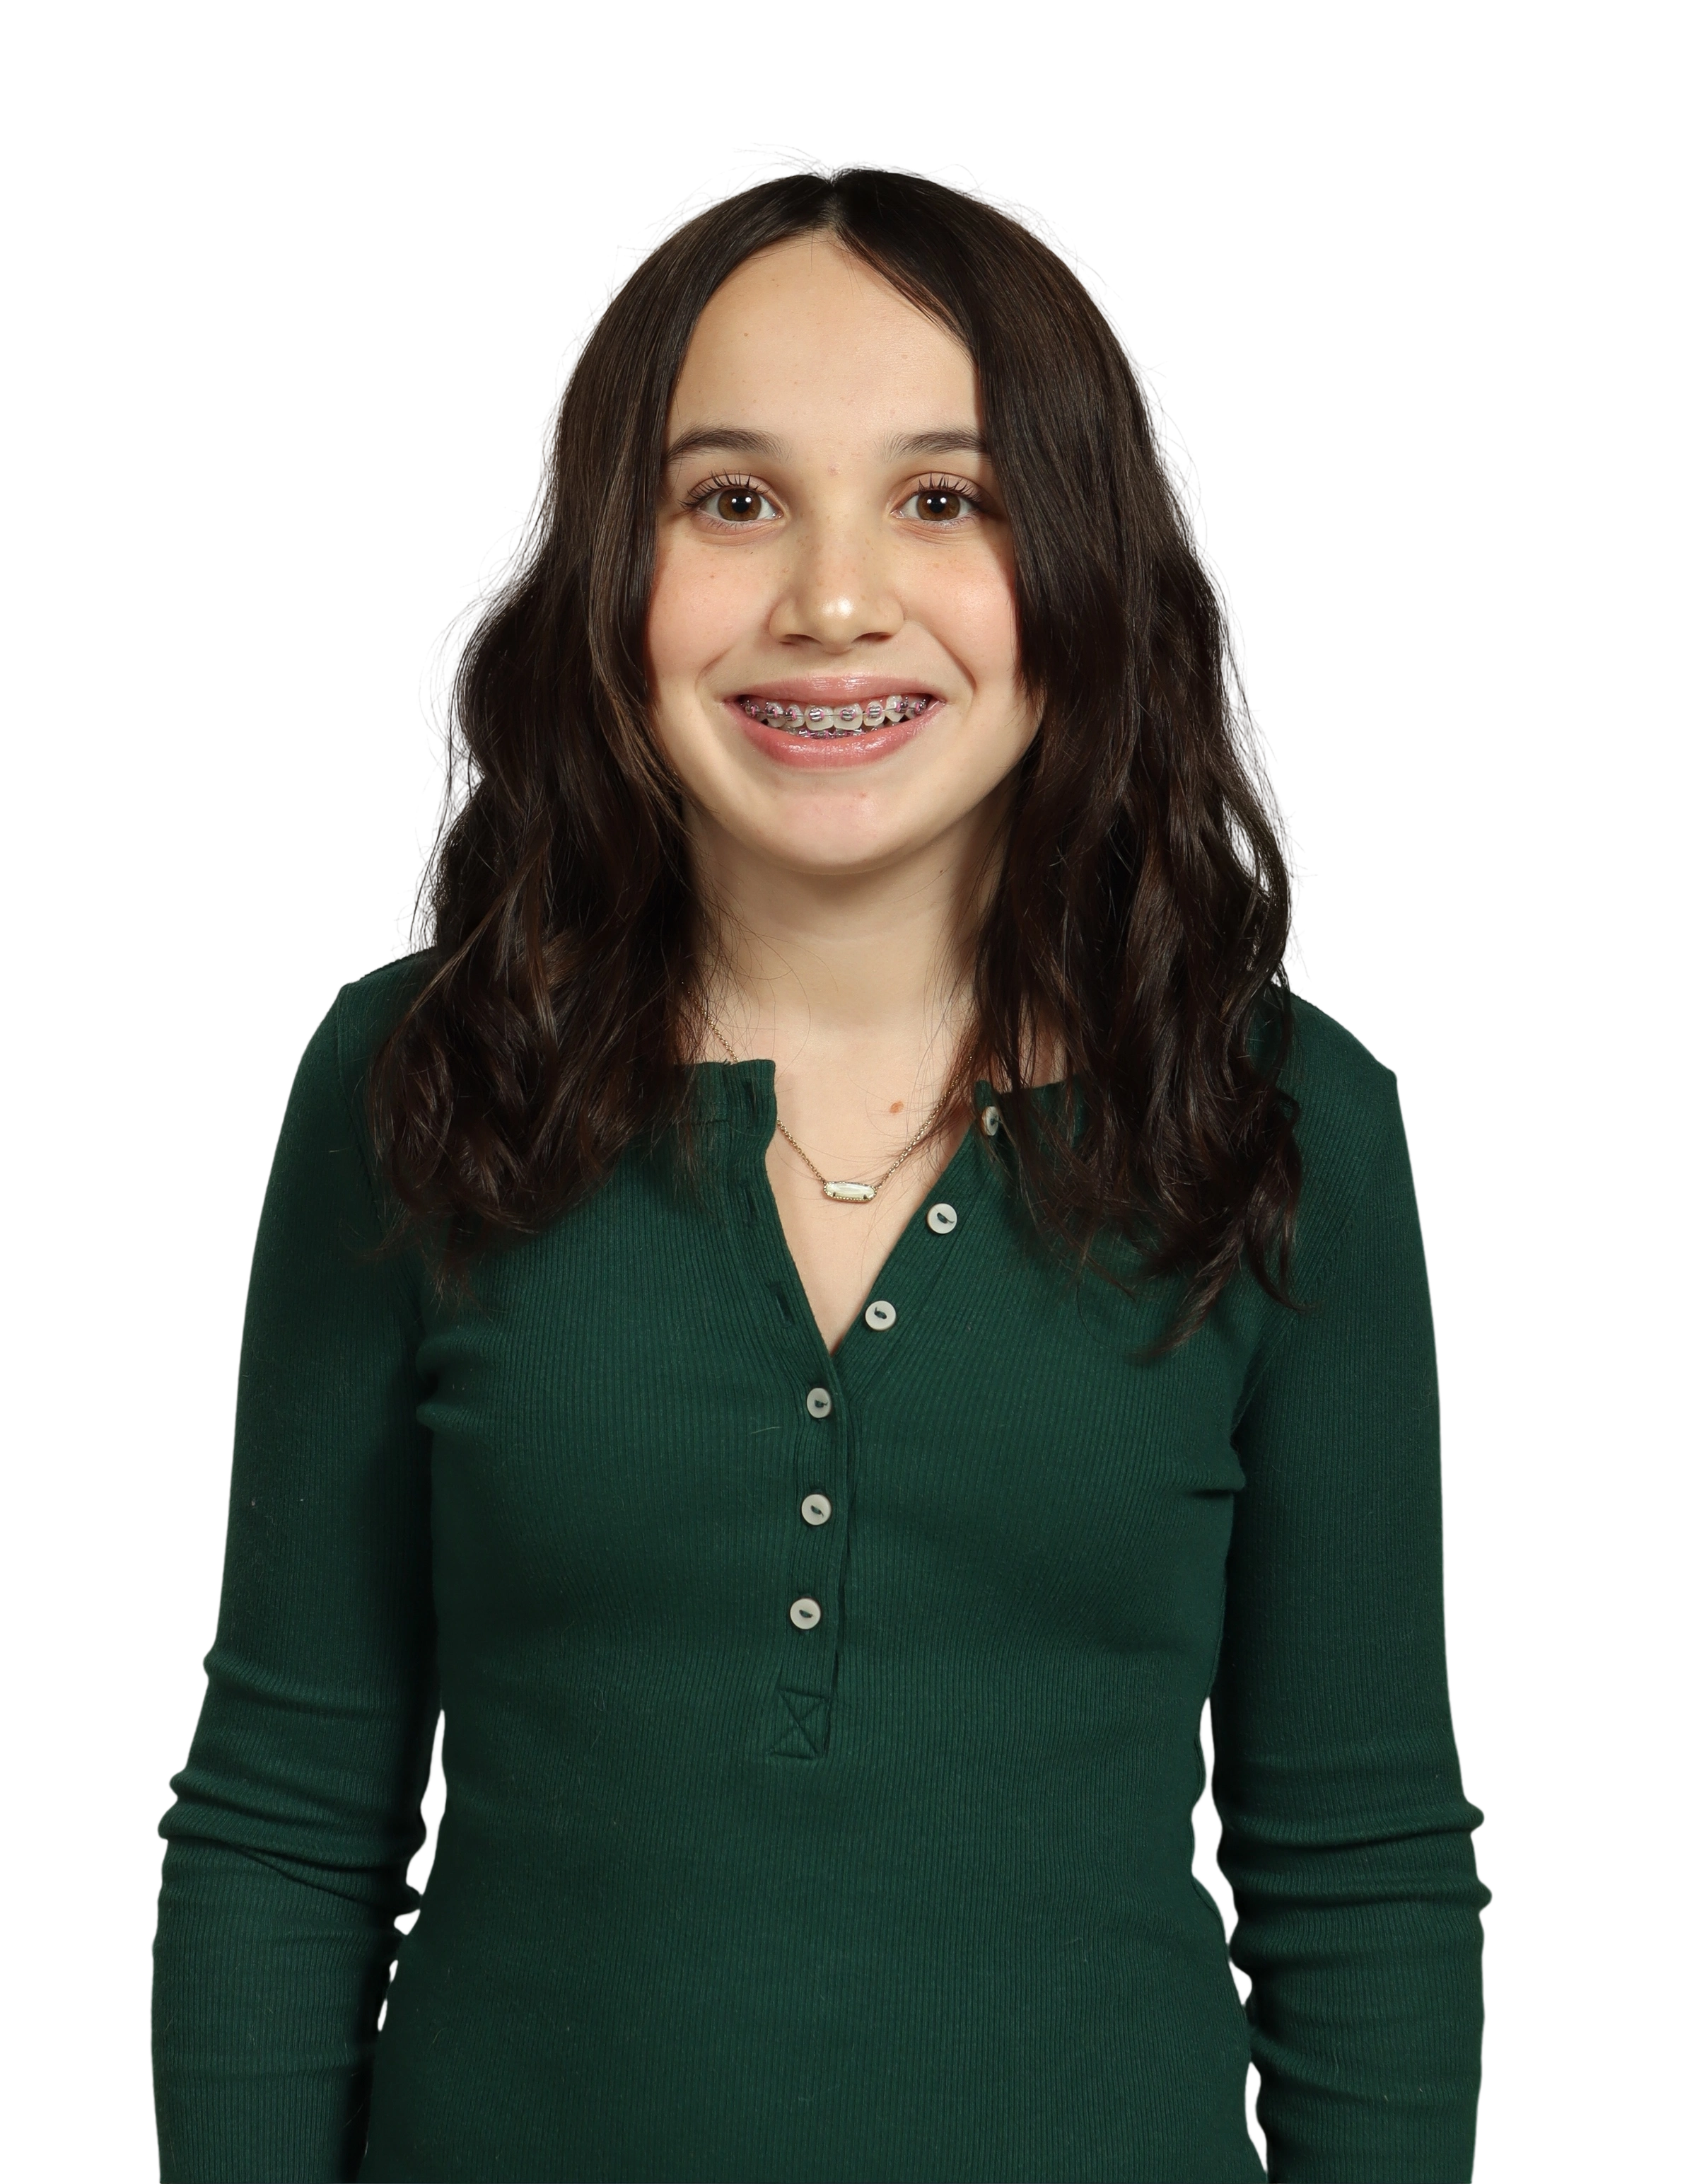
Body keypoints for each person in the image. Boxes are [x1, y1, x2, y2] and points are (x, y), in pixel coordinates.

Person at [147, 146, 1491, 2183]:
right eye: (733, 500)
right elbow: (281, 1818)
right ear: (609, 568)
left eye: (945, 500)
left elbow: (1363, 1860)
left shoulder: (1283, 1124)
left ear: (1089, 566)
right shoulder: (415, 1085)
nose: (834, 600)